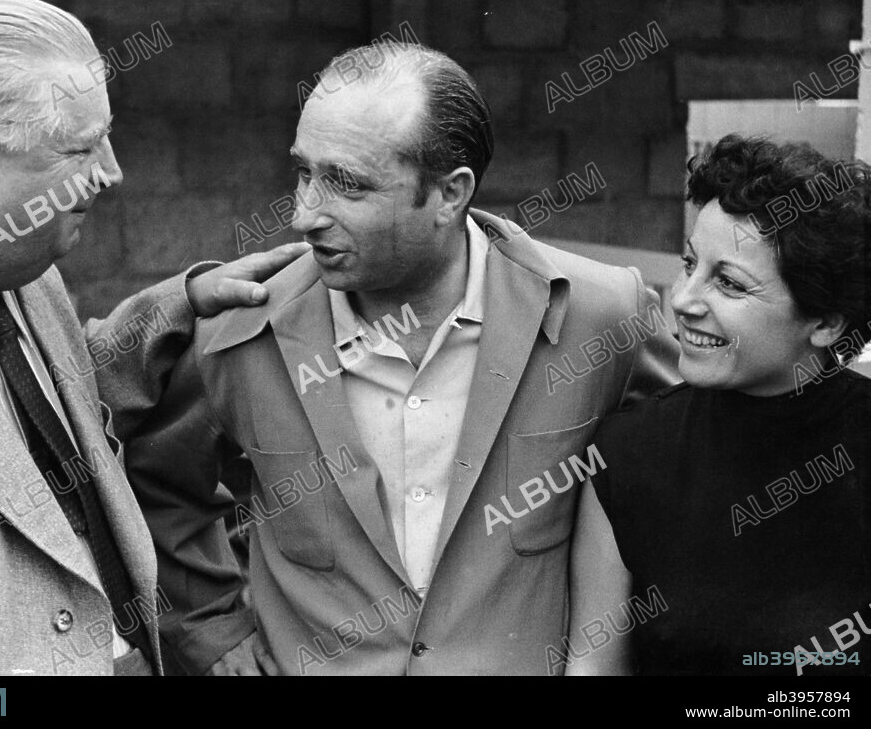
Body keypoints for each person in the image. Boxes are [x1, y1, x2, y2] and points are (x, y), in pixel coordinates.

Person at [106, 42, 680, 675]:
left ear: (449, 195)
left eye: (347, 184)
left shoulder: (601, 316)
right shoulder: (243, 328)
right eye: (304, 173)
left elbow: (696, 463)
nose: (303, 215)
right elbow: (154, 481)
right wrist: (211, 632)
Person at [0, 0, 301, 676]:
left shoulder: (15, 258)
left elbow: (20, 419)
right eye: (82, 148)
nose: (112, 171)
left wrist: (174, 312)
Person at [568, 135, 871, 676]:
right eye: (690, 264)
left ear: (826, 323)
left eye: (729, 284)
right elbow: (594, 666)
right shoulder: (628, 455)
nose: (683, 300)